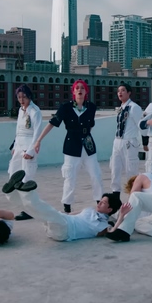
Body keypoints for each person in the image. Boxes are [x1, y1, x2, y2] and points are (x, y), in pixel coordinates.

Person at [34, 79, 104, 214]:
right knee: (70, 176)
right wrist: (38, 140)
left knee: (96, 174)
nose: (79, 90)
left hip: (88, 146)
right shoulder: (65, 107)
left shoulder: (91, 107)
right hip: (72, 145)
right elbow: (52, 123)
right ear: (73, 92)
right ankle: (67, 205)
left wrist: (86, 136)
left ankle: (100, 201)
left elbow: (91, 125)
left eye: (82, 88)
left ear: (86, 91)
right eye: (77, 88)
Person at [2, 170, 123, 242]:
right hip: (59, 224)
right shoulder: (89, 210)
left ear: (109, 209)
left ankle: (27, 192)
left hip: (65, 231)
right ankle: (12, 194)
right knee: (36, 212)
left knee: (45, 211)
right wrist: (61, 214)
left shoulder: (103, 225)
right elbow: (71, 214)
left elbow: (113, 232)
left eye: (103, 203)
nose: (99, 203)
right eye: (100, 200)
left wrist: (121, 215)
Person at [8, 84, 42, 221]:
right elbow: (18, 130)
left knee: (27, 178)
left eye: (24, 97)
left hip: (29, 145)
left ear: (29, 97)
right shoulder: (21, 110)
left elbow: (37, 132)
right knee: (14, 175)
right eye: (19, 97)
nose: (22, 100)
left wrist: (31, 150)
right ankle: (24, 206)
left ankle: (30, 210)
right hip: (19, 146)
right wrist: (15, 147)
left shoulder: (35, 111)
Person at [109, 83, 143, 196]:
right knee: (115, 168)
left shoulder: (134, 107)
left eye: (123, 90)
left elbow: (140, 124)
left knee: (131, 170)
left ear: (129, 93)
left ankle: (134, 195)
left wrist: (145, 142)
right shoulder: (121, 108)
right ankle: (115, 194)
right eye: (118, 91)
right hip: (118, 141)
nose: (120, 93)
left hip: (129, 142)